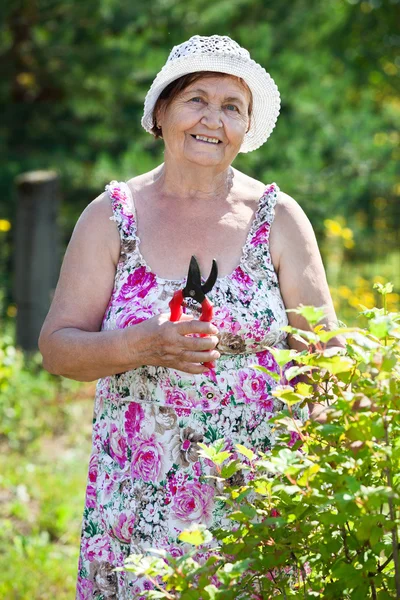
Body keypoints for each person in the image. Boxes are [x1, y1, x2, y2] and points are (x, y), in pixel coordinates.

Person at [39, 35, 341, 599]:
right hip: (138, 499)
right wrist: (144, 345)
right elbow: (57, 347)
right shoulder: (111, 216)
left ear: (247, 128)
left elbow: (324, 355)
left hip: (255, 495)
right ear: (161, 113)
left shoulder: (279, 218)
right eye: (196, 99)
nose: (213, 119)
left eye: (233, 107)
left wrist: (315, 468)